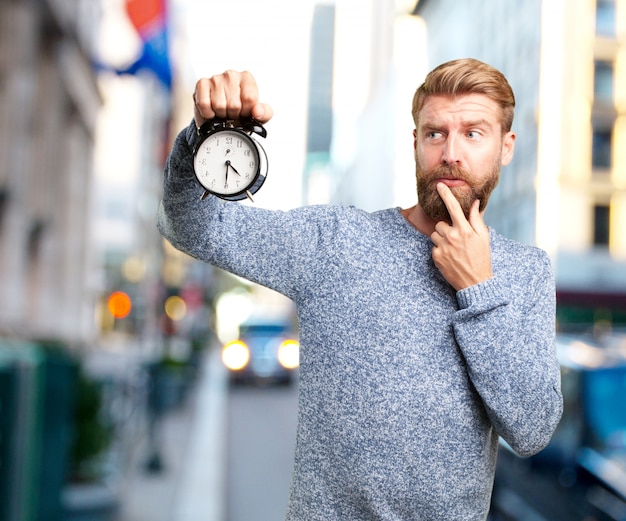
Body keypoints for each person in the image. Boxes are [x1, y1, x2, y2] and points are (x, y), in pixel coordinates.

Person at [158, 58, 563, 520]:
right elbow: (191, 228)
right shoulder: (336, 242)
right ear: (415, 143)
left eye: (473, 133)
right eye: (435, 134)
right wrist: (202, 136)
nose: (451, 153)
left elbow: (532, 430)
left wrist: (478, 290)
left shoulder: (527, 272)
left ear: (505, 147)